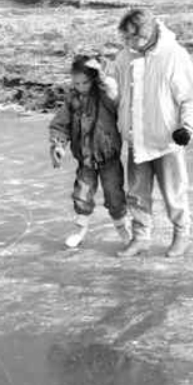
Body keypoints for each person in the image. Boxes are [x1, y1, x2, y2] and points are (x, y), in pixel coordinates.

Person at [109, 9, 193, 258]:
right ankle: (140, 237)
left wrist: (189, 127)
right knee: (136, 193)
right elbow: (117, 93)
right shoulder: (124, 57)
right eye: (125, 38)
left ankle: (182, 234)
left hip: (166, 140)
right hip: (137, 138)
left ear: (148, 33)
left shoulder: (173, 55)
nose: (128, 43)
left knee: (174, 192)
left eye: (133, 38)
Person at [49, 55, 131, 249]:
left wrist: (101, 75)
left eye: (85, 82)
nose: (81, 87)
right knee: (82, 195)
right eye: (76, 83)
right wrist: (58, 146)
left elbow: (114, 95)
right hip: (85, 160)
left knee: (115, 196)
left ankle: (123, 229)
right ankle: (80, 230)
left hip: (109, 158)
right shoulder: (72, 99)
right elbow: (60, 125)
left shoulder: (104, 95)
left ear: (93, 79)